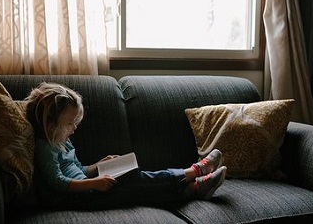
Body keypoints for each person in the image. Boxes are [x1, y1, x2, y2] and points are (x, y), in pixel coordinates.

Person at [25, 82, 227, 210]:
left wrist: (97, 166)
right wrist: (95, 183)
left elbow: (78, 170)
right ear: (50, 123)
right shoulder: (45, 148)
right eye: (69, 124)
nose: (74, 129)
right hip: (79, 199)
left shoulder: (63, 141)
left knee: (136, 182)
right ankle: (194, 172)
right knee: (134, 181)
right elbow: (58, 182)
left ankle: (194, 188)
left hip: (87, 190)